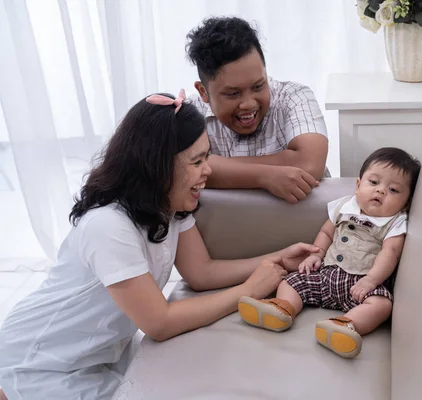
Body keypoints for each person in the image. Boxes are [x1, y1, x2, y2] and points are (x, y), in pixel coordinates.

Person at [0, 90, 319, 400]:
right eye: (197, 161)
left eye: (207, 157)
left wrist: (281, 258)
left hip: (97, 359)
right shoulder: (108, 226)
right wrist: (248, 290)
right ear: (158, 165)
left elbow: (202, 272)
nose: (208, 170)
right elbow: (159, 323)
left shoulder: (170, 205)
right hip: (38, 363)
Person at [237, 147, 421, 358]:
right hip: (326, 275)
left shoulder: (395, 223)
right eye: (374, 182)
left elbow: (390, 253)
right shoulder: (344, 207)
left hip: (361, 286)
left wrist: (370, 281)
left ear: (406, 203)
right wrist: (316, 255)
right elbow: (326, 232)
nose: (380, 191)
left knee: (382, 305)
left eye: (393, 190)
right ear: (358, 185)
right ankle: (283, 309)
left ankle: (346, 325)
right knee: (292, 281)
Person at [185, 16, 329, 204]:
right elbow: (180, 170)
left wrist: (209, 165)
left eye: (258, 86)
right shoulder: (191, 113)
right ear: (203, 92)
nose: (249, 104)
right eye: (233, 94)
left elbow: (309, 163)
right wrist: (266, 176)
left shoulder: (294, 96)